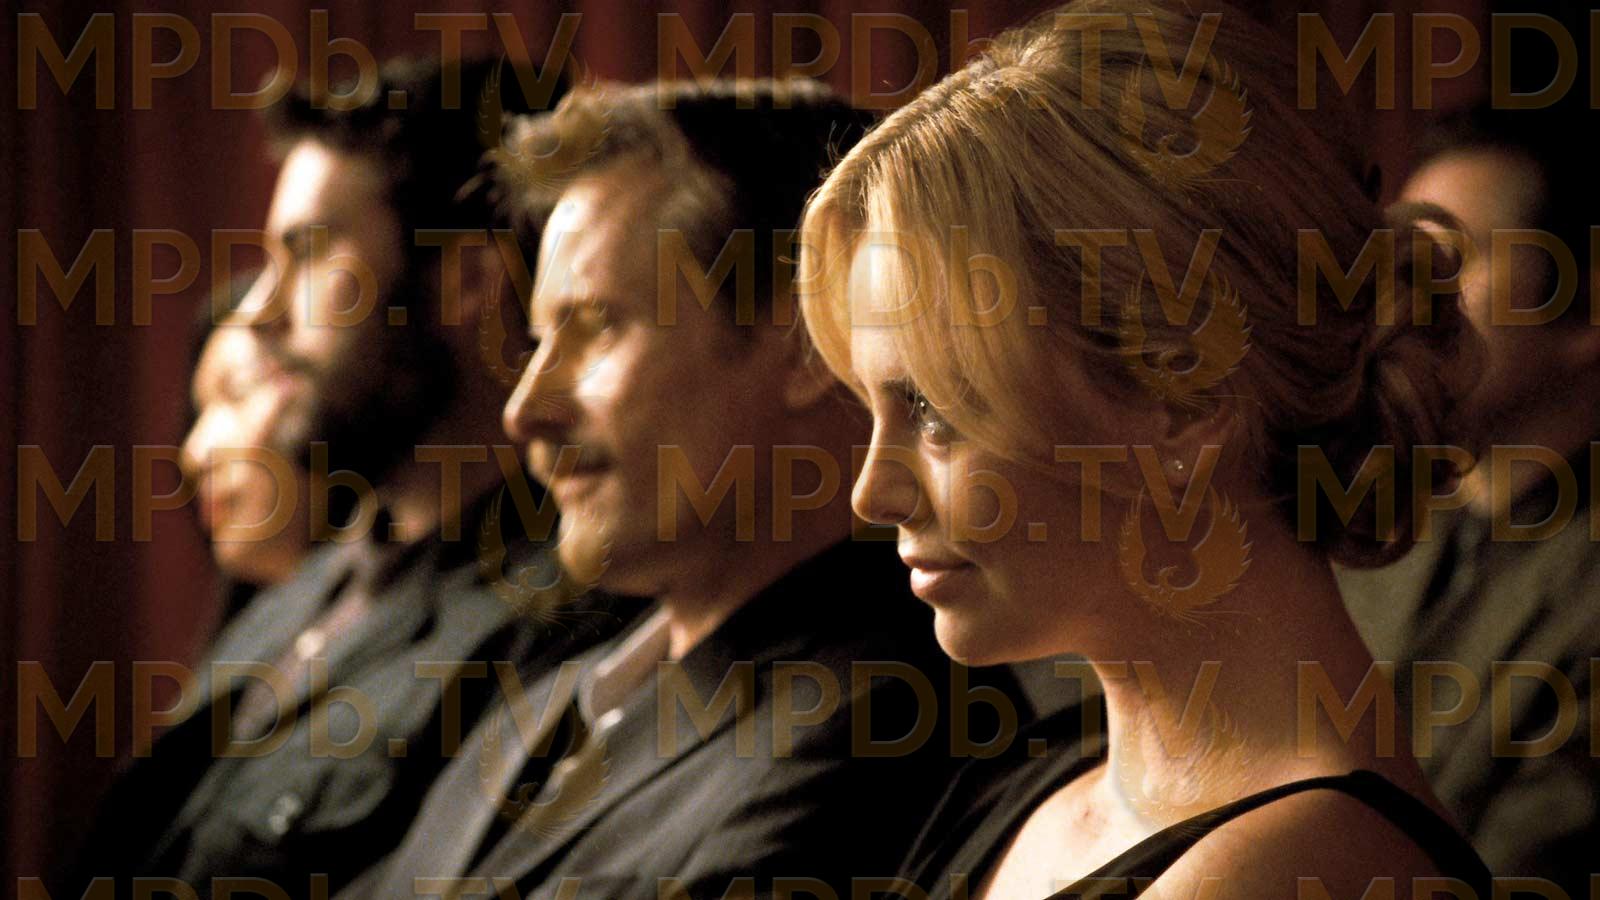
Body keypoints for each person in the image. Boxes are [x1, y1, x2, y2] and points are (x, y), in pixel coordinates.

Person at [797, 2, 1492, 897]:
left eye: (934, 409)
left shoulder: (1295, 869)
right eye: (874, 408)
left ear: (1183, 399)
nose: (871, 492)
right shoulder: (1035, 779)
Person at [343, 79, 1025, 900]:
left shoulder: (899, 732)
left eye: (596, 327)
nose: (525, 408)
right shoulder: (548, 698)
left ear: (809, 344)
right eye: (537, 339)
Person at [58, 57, 636, 897]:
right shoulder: (301, 587)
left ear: (468, 281)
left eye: (308, 253)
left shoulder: (569, 625)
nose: (261, 311)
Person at [1338, 105, 1600, 892]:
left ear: (1588, 308)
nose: (1402, 302)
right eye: (1400, 262)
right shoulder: (1371, 525)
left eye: (1450, 262)